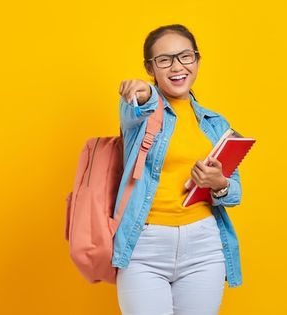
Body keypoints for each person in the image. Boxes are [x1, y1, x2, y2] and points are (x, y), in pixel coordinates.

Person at [113, 24, 243, 315]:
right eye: (164, 60)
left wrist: (218, 182)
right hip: (145, 245)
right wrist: (144, 93)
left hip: (204, 245)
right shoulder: (140, 109)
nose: (177, 66)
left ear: (197, 60)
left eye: (186, 56)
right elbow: (138, 107)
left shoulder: (215, 123)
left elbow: (234, 192)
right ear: (150, 68)